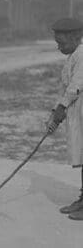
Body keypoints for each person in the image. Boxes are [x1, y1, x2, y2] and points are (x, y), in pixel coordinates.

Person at [47, 17, 83, 220]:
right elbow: (64, 90)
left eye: (61, 43)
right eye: (57, 43)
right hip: (78, 113)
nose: (59, 47)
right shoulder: (72, 58)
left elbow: (76, 86)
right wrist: (55, 113)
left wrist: (61, 108)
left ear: (76, 37)